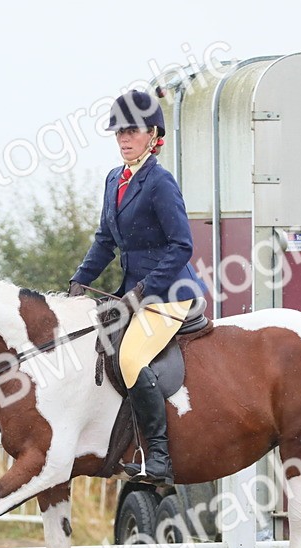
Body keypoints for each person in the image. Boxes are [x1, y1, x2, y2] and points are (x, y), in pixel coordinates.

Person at [69, 89, 206, 485]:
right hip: (132, 293)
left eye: (132, 131)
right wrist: (81, 279)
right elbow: (105, 240)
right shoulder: (115, 179)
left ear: (152, 135)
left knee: (131, 360)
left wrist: (146, 288)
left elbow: (183, 244)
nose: (124, 139)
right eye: (119, 133)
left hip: (169, 294)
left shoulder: (160, 183)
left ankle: (160, 458)